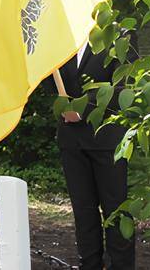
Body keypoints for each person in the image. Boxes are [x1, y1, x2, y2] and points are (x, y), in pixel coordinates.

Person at [56, 43, 136, 269]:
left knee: (116, 209)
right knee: (83, 211)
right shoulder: (60, 39)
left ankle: (121, 266)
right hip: (71, 141)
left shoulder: (117, 38)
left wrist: (82, 109)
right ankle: (89, 264)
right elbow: (49, 82)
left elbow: (122, 88)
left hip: (107, 140)